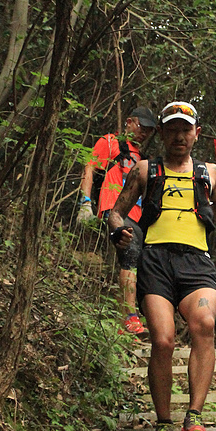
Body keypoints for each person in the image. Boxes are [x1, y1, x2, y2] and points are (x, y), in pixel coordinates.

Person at [107, 101, 216, 431]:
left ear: (196, 134)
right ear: (162, 134)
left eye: (186, 129)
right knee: (162, 340)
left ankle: (193, 416)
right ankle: (163, 424)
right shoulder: (145, 170)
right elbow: (116, 213)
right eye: (172, 129)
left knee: (204, 325)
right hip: (156, 262)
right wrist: (118, 232)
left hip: (197, 264)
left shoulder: (211, 173)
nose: (180, 136)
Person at [77, 106, 157, 335]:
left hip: (139, 217)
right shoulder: (111, 142)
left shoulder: (142, 159)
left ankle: (137, 318)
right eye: (141, 127)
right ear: (129, 122)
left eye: (149, 131)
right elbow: (90, 167)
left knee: (146, 262)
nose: (144, 133)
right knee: (129, 252)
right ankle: (129, 319)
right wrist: (85, 202)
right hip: (116, 210)